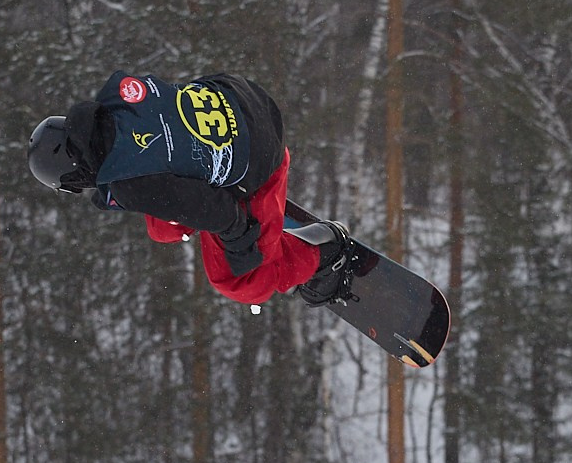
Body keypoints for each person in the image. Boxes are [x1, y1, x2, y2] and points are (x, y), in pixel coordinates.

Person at [25, 72, 369, 307]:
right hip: (245, 97)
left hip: (263, 160)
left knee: (241, 282)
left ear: (74, 178)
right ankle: (230, 187)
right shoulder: (117, 91)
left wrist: (242, 247)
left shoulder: (132, 186)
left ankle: (327, 253)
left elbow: (218, 212)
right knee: (162, 227)